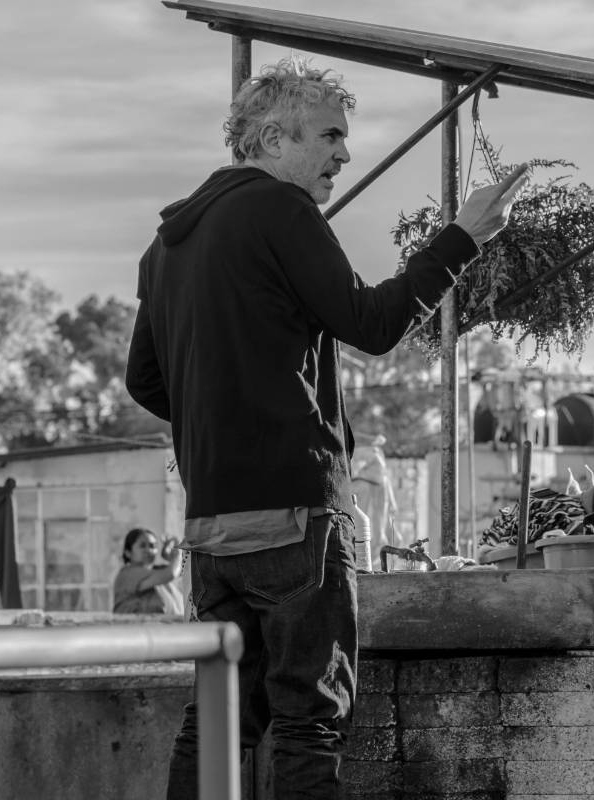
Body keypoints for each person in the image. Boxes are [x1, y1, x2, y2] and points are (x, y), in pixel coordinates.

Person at [125, 56, 528, 799]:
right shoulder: (280, 211)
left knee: (217, 722)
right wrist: (463, 237)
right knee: (311, 723)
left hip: (213, 527)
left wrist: (227, 425)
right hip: (296, 518)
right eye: (331, 136)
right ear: (274, 139)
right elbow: (372, 324)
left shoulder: (166, 245)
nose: (344, 154)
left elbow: (144, 381)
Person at [112, 527, 185, 616]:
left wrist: (170, 558)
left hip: (167, 628)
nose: (148, 550)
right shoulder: (127, 574)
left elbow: (184, 571)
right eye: (142, 546)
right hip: (136, 629)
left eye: (152, 546)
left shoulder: (158, 571)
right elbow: (172, 573)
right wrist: (177, 553)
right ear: (128, 552)